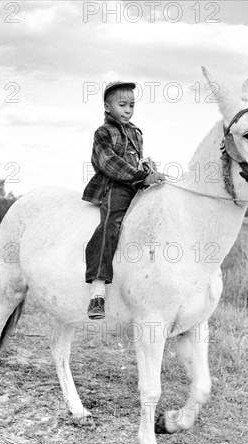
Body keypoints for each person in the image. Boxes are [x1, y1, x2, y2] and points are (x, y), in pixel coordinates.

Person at [82, 81, 166, 319]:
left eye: (131, 105)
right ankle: (98, 289)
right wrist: (140, 175)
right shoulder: (103, 133)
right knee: (111, 224)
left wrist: (147, 169)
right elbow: (109, 162)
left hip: (136, 182)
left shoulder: (136, 132)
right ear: (107, 107)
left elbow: (135, 163)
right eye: (122, 104)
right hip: (116, 185)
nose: (128, 109)